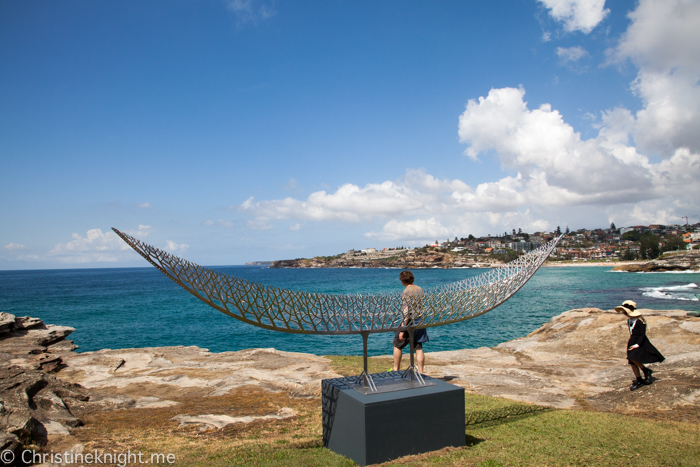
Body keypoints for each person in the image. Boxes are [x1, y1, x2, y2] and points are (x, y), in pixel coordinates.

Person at [615, 300, 665, 391]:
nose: (622, 312)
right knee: (632, 361)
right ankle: (639, 379)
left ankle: (646, 370)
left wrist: (637, 345)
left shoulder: (640, 321)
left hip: (639, 342)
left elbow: (642, 335)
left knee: (633, 357)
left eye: (624, 310)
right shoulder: (629, 320)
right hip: (632, 341)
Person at [392, 270, 428, 373]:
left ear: (402, 280)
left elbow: (406, 311)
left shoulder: (406, 292)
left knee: (397, 344)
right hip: (420, 320)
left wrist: (403, 328)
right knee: (418, 347)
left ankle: (396, 369)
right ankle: (421, 372)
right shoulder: (419, 289)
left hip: (410, 321)